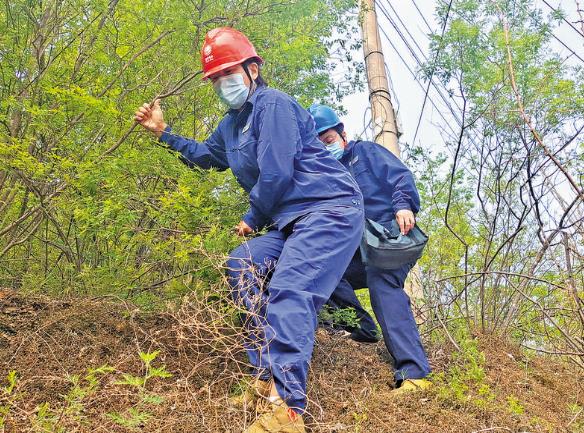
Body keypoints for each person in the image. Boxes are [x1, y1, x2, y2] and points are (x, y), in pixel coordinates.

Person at [134, 28, 363, 433]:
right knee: (242, 265)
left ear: (253, 69)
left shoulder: (272, 105)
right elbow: (208, 157)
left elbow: (277, 168)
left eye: (229, 73)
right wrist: (162, 133)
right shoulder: (230, 125)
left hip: (329, 209)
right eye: (216, 79)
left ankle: (288, 409)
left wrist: (253, 216)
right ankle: (264, 376)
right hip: (291, 221)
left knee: (291, 290)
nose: (224, 84)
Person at [307, 104, 432, 393]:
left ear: (342, 134)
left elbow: (400, 176)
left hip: (388, 238)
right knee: (322, 272)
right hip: (354, 250)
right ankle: (363, 328)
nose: (326, 149)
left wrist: (403, 206)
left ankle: (414, 373)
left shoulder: (365, 153)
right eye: (318, 145)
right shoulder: (325, 176)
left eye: (328, 141)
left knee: (382, 282)